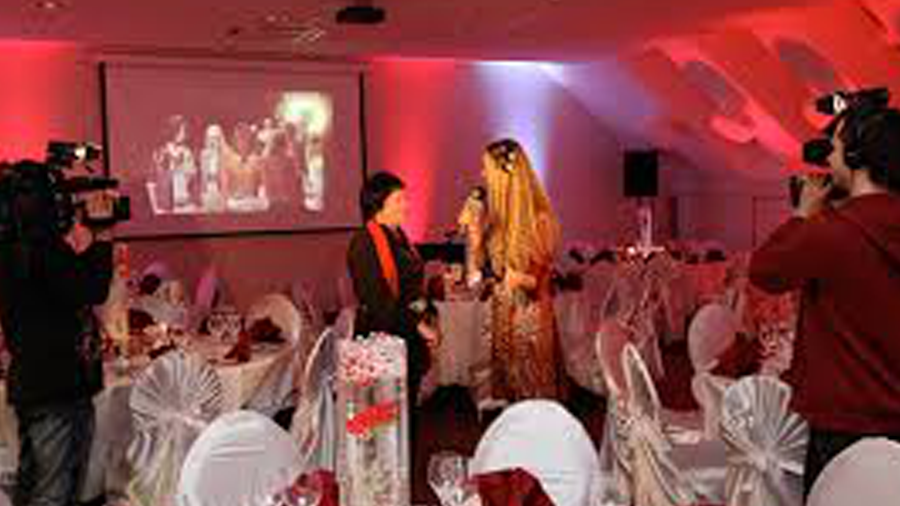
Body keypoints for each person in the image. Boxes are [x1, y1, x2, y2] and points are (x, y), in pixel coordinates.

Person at [749, 104, 900, 497]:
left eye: (833, 147)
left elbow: (765, 271)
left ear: (856, 156)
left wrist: (802, 214)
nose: (828, 159)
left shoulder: (833, 230)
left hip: (845, 422)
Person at [0, 162, 114, 506]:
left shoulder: (13, 249)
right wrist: (102, 238)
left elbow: (66, 291)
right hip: (57, 388)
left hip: (35, 384)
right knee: (55, 492)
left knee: (33, 484)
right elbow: (91, 289)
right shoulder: (43, 250)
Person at [346, 171, 438, 489]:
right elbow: (380, 304)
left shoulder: (398, 236)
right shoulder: (364, 243)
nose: (406, 205)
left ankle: (400, 479)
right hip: (380, 345)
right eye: (399, 200)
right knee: (382, 421)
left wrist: (426, 316)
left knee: (404, 418)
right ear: (378, 204)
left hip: (405, 341)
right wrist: (418, 325)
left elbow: (412, 290)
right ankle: (382, 486)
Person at [477, 138, 565, 402]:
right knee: (512, 397)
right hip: (505, 315)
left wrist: (506, 277)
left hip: (528, 321)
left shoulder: (539, 220)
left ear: (505, 176)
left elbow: (535, 282)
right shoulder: (497, 220)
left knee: (532, 398)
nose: (482, 175)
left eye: (487, 169)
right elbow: (488, 268)